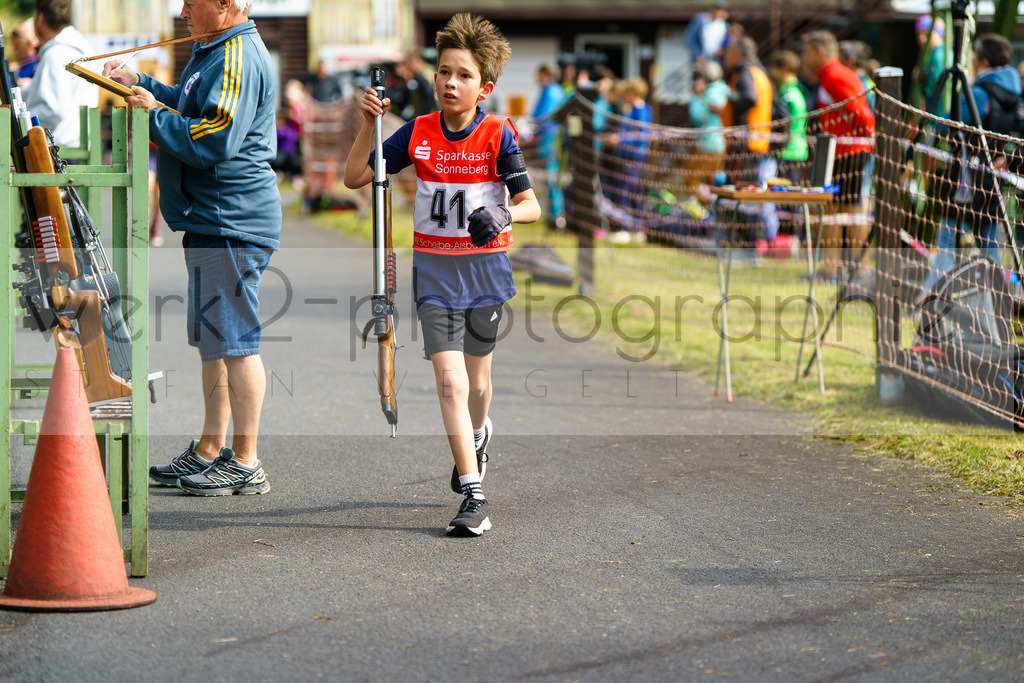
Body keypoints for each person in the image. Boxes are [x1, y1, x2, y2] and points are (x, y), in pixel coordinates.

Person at [344, 13, 541, 536]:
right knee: (450, 382)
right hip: (434, 277)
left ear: (485, 88)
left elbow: (531, 205)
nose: (451, 83)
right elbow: (356, 176)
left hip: (486, 274)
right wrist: (370, 122)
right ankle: (474, 495)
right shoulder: (417, 133)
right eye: (444, 72)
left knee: (478, 383)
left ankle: (479, 434)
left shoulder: (498, 133)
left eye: (464, 75)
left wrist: (503, 214)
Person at [103, 0, 280, 496]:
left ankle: (245, 460)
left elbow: (214, 139)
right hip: (211, 219)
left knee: (235, 341)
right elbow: (187, 105)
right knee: (214, 342)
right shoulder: (212, 49)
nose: (181, 10)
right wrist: (143, 86)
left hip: (232, 218)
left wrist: (153, 114)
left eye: (190, 0)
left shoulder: (238, 55)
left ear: (224, 4)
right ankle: (210, 449)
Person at [920, 33, 1022, 296]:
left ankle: (930, 298)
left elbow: (946, 123)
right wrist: (1010, 158)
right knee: (990, 244)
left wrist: (932, 119)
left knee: (947, 240)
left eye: (974, 58)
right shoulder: (1014, 92)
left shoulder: (977, 93)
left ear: (983, 61)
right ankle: (996, 301)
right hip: (993, 180)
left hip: (964, 179)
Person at [801, 29, 875, 278]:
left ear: (820, 53)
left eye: (807, 52)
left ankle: (861, 270)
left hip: (848, 153)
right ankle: (832, 269)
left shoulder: (835, 75)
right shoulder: (829, 75)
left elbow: (860, 113)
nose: (803, 57)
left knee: (851, 211)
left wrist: (868, 139)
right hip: (836, 153)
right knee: (831, 210)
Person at [722, 35, 779, 245]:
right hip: (757, 142)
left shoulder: (745, 71)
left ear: (737, 53)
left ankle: (742, 241)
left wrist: (727, 95)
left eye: (728, 52)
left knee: (740, 191)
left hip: (745, 143)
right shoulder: (760, 71)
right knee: (750, 190)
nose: (725, 57)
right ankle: (750, 241)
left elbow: (750, 97)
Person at [21, 0, 98, 149]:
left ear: (40, 19)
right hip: (79, 145)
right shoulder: (81, 47)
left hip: (59, 150)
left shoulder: (55, 54)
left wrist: (17, 121)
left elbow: (53, 110)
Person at [768, 50, 809, 183]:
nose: (773, 73)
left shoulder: (787, 93)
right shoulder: (798, 90)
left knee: (786, 197)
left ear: (784, 68)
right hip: (798, 149)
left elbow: (784, 122)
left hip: (789, 151)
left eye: (774, 69)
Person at [533, 62, 566, 228]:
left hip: (549, 139)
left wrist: (534, 130)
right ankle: (556, 214)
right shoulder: (558, 90)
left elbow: (542, 116)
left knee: (551, 176)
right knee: (552, 177)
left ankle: (556, 215)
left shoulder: (549, 90)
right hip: (554, 137)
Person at [915, 15, 947, 113]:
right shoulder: (931, 54)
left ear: (938, 34)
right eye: (919, 34)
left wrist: (919, 80)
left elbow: (932, 88)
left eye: (926, 34)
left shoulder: (939, 56)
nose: (921, 39)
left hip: (938, 114)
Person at [684, 0, 729, 66]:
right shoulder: (700, 20)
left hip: (715, 60)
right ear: (711, 9)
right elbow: (690, 39)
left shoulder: (724, 25)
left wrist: (721, 50)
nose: (718, 12)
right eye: (717, 9)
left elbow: (726, 42)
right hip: (700, 60)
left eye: (721, 10)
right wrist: (697, 55)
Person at [10, 19, 38, 86]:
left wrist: (30, 83)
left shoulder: (38, 63)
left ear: (30, 43)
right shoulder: (19, 66)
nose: (15, 50)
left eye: (17, 46)